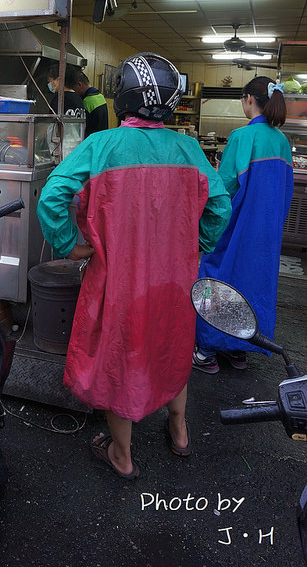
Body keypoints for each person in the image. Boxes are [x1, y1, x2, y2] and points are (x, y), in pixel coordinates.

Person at [37, 53, 231, 479]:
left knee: (120, 357)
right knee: (174, 343)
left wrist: (68, 245)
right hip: (175, 281)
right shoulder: (188, 148)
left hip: (118, 281)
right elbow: (219, 205)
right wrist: (195, 246)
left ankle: (122, 456)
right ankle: (179, 430)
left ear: (122, 97)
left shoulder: (100, 146)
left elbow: (51, 197)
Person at [193, 77, 293, 374]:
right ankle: (240, 348)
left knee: (217, 280)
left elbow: (224, 189)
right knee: (253, 284)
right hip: (266, 232)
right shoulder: (281, 141)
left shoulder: (241, 137)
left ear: (249, 99)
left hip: (236, 227)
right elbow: (285, 192)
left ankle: (208, 349)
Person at [68, 70, 109, 136]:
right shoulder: (100, 96)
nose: (74, 91)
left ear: (79, 84)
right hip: (102, 138)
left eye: (74, 88)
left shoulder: (87, 101)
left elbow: (82, 127)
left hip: (92, 140)